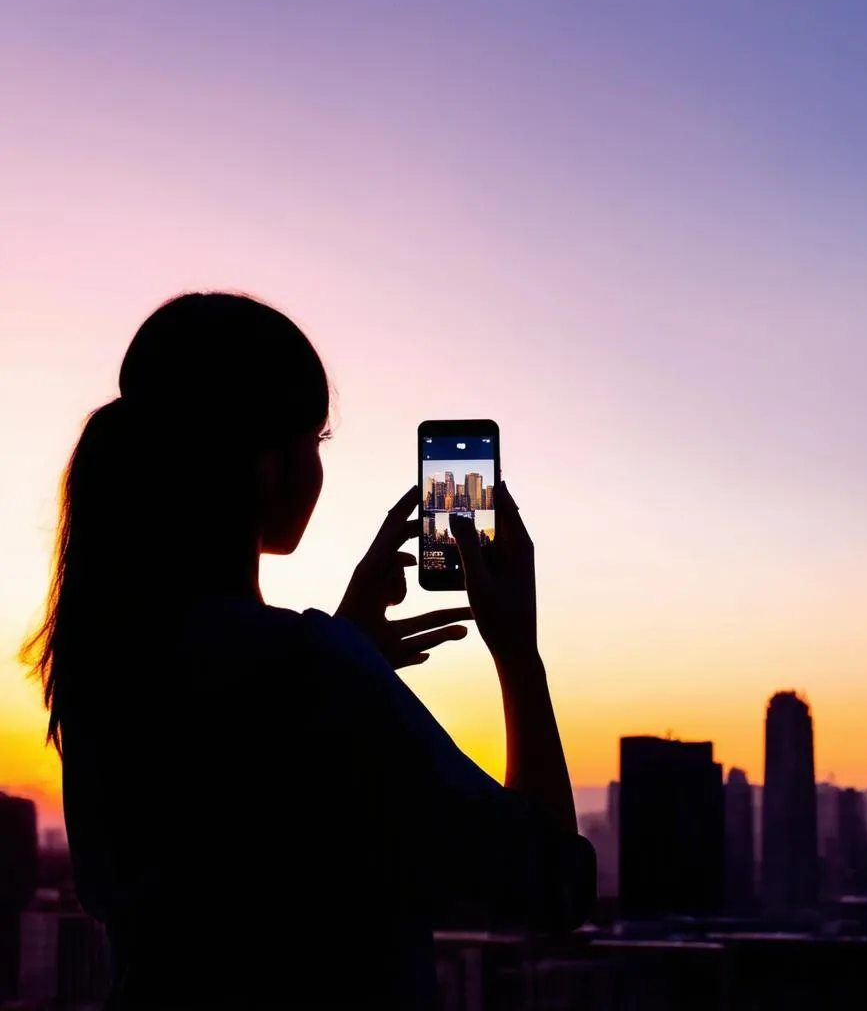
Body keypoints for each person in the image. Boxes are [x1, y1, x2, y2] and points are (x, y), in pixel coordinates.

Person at [23, 292, 596, 1009]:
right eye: (316, 441)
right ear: (268, 465)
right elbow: (551, 884)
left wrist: (343, 651)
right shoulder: (309, 671)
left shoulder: (106, 669)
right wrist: (518, 655)